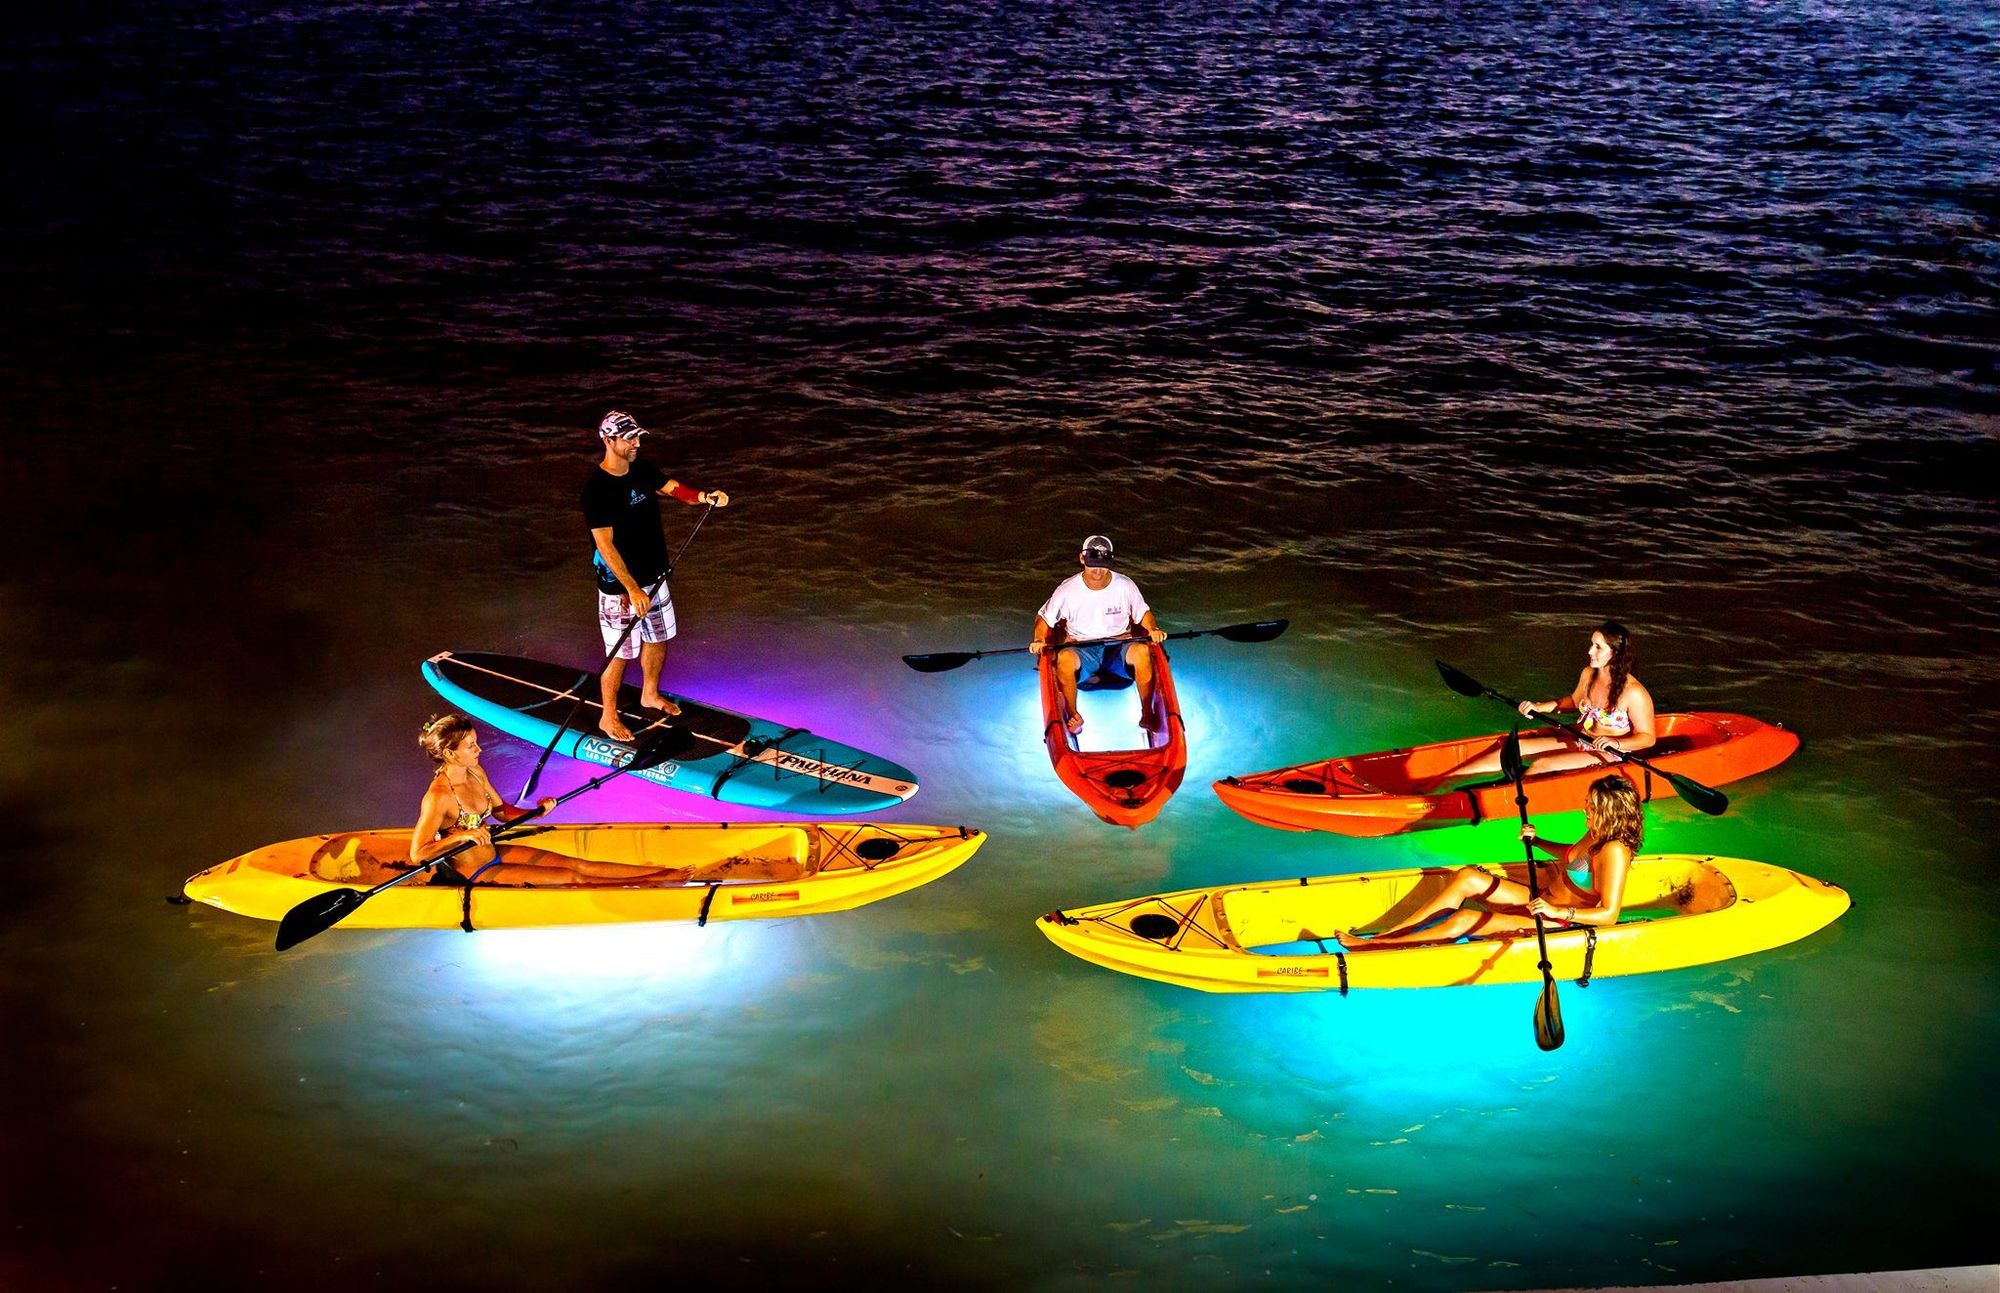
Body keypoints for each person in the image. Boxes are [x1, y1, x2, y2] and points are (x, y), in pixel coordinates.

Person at [1348, 774, 1643, 947]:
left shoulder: (1615, 851)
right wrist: (1537, 841)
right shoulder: (1596, 832)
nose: (1585, 811)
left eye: (1591, 807)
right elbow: (1572, 856)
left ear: (1610, 812)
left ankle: (1382, 946)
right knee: (1467, 876)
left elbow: (1608, 914)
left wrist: (1558, 911)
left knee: (1464, 919)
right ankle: (1393, 934)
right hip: (1540, 900)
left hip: (1555, 922)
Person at [582, 410, 730, 742]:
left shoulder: (641, 468)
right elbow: (604, 546)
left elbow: (673, 488)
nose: (637, 443)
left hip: (655, 576)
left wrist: (704, 497)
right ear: (608, 441)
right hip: (620, 587)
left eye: (638, 436)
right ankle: (608, 716)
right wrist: (631, 588)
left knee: (658, 637)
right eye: (629, 438)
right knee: (620, 653)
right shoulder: (597, 491)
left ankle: (649, 694)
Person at [408, 714, 684, 886]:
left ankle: (661, 872)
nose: (479, 749)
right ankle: (652, 881)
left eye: (476, 742)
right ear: (450, 753)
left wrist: (537, 812)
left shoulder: (475, 771)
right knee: (574, 879)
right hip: (476, 871)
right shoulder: (438, 797)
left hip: (494, 853)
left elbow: (502, 812)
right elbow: (418, 853)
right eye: (471, 746)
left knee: (578, 865)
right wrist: (462, 838)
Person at [1446, 620, 1657, 779]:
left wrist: (1615, 742)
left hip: (1610, 753)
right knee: (1515, 747)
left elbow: (1648, 737)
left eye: (1598, 647)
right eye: (1592, 644)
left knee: (1541, 764)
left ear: (1616, 654)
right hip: (1580, 738)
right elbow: (1573, 702)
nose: (1590, 650)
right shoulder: (1589, 674)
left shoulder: (1634, 692)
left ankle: (1503, 800)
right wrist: (1538, 707)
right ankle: (1442, 782)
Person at [1028, 534, 1167, 735]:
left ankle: (1147, 713)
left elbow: (1143, 613)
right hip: (1082, 649)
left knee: (1142, 652)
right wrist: (1039, 640)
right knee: (1064, 658)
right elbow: (1043, 619)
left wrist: (1153, 629)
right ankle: (1073, 716)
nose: (1098, 571)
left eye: (1103, 565)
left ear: (1111, 562)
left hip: (1119, 647)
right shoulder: (1067, 590)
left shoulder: (1125, 585)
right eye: (1093, 564)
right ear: (1082, 559)